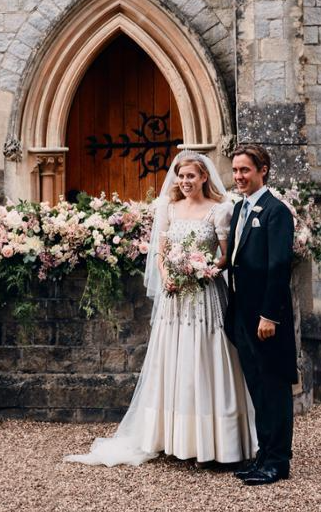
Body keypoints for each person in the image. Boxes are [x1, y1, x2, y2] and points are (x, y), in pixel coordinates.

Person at [65, 151, 256, 466]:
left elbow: (226, 256)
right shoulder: (169, 207)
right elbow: (160, 253)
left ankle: (216, 442)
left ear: (204, 177)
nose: (184, 182)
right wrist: (169, 275)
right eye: (181, 176)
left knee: (205, 359)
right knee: (175, 359)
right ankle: (173, 437)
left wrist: (204, 269)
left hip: (205, 295)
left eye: (191, 176)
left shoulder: (220, 211)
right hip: (175, 298)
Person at [225, 144, 296, 485]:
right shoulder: (240, 209)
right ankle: (262, 456)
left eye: (245, 170)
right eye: (236, 170)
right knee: (257, 388)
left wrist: (269, 315)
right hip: (242, 315)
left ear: (262, 170)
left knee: (274, 388)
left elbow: (279, 266)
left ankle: (278, 462)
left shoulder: (276, 211)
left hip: (267, 320)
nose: (238, 176)